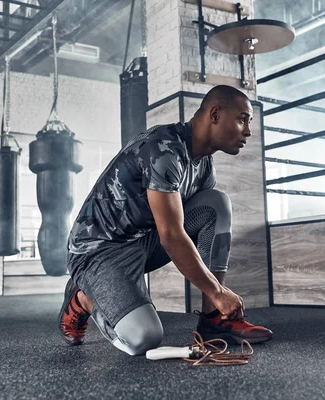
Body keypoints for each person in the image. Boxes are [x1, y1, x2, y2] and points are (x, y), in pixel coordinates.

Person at [58, 85, 273, 355]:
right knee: (144, 338)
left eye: (249, 122)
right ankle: (84, 297)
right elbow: (172, 236)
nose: (248, 131)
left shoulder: (204, 166)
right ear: (215, 115)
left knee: (216, 204)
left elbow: (183, 228)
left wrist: (215, 294)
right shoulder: (163, 149)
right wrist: (219, 292)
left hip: (143, 241)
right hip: (98, 250)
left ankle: (212, 321)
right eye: (242, 119)